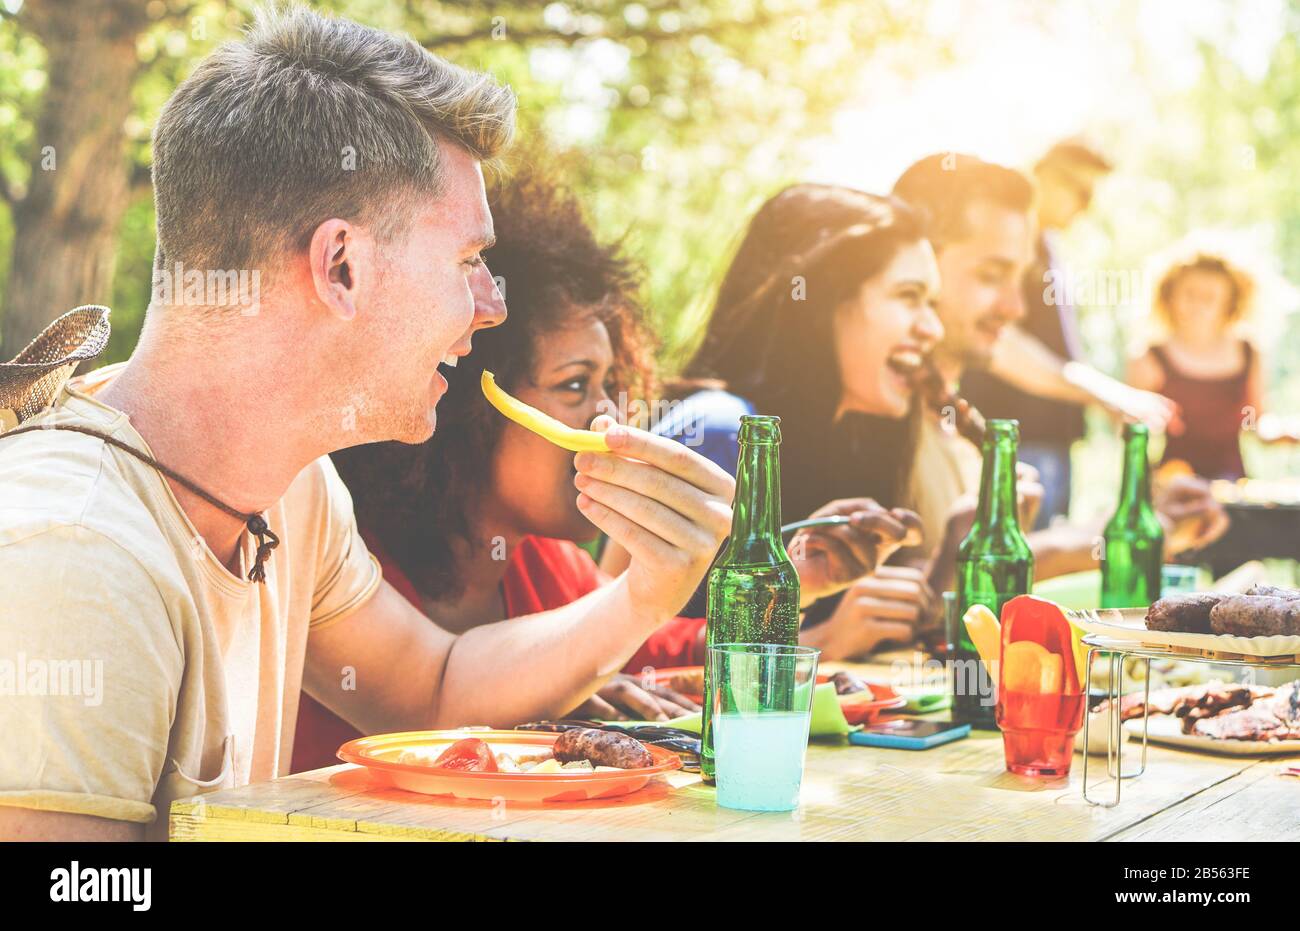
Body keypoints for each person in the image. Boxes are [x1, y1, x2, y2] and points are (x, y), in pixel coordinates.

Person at [0, 8, 735, 841]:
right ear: (341, 265)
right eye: (469, 262)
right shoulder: (74, 554)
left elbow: (435, 686)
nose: (493, 306)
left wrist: (646, 590)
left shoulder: (291, 489)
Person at [292, 172, 717, 770]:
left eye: (610, 386)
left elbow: (649, 648)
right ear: (473, 401)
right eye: (575, 385)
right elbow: (436, 703)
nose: (607, 417)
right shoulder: (327, 534)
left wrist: (775, 584)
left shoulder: (546, 563)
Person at [604, 184, 941, 660]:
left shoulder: (844, 440)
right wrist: (825, 643)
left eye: (934, 305)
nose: (934, 329)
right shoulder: (720, 431)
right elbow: (609, 653)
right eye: (909, 296)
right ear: (823, 303)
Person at [891, 153, 1228, 592]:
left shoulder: (950, 425)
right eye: (992, 275)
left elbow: (991, 564)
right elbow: (927, 586)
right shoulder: (878, 417)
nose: (1016, 308)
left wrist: (1139, 518)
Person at [960, 139, 1175, 527]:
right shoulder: (1003, 246)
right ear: (1042, 176)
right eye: (1080, 189)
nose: (1086, 205)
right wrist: (1105, 393)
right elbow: (1002, 344)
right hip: (1013, 441)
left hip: (1054, 440)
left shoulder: (1048, 248)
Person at [1127, 245, 1293, 480]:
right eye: (1189, 294)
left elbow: (1256, 422)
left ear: (1230, 302)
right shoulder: (1148, 357)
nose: (1198, 305)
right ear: (1169, 295)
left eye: (1209, 297)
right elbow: (1131, 434)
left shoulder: (1249, 352)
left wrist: (1286, 432)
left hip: (1233, 485)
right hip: (1173, 485)